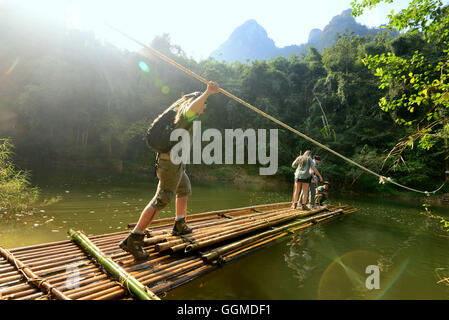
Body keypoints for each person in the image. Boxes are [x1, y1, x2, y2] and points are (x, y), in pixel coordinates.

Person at [119, 81, 221, 260]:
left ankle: (179, 223)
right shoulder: (186, 116)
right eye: (203, 105)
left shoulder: (184, 118)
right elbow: (193, 107)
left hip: (175, 163)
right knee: (162, 198)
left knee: (184, 188)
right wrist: (207, 93)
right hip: (170, 164)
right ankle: (134, 238)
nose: (203, 109)